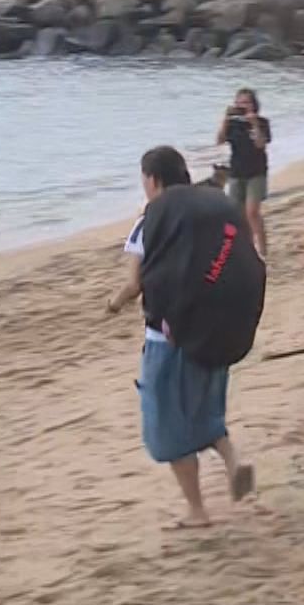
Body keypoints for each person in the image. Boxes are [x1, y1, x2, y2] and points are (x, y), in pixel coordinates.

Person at [106, 146, 263, 529]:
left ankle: (196, 510)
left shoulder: (151, 218)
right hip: (217, 328)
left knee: (167, 427)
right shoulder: (212, 203)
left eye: (144, 179)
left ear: (153, 180)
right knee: (204, 411)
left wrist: (112, 304)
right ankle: (233, 460)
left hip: (169, 340)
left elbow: (135, 283)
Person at [215, 88, 270, 258]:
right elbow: (219, 140)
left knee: (252, 211)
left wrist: (253, 124)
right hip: (236, 172)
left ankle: (262, 249)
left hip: (257, 172)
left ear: (254, 105)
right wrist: (225, 119)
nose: (241, 106)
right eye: (238, 103)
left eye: (245, 102)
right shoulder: (233, 124)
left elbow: (261, 144)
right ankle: (245, 247)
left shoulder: (262, 122)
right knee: (237, 214)